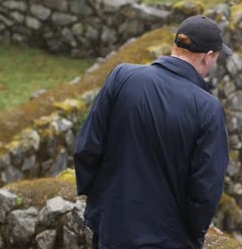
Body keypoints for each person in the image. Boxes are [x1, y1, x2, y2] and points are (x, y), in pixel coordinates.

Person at [74, 15, 231, 249]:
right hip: (167, 239)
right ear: (208, 57)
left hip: (111, 229)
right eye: (216, 57)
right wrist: (192, 236)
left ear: (174, 46)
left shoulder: (122, 76)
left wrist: (100, 205)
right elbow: (204, 192)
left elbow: (87, 147)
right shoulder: (208, 109)